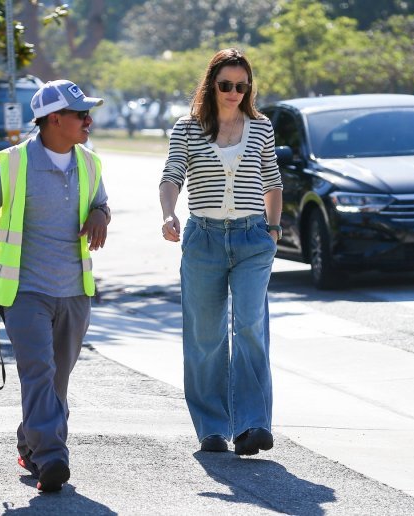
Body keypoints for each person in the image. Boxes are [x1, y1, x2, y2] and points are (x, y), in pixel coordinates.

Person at [0, 79, 111, 492]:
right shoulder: (11, 164)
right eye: (81, 115)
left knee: (57, 378)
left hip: (74, 291)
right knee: (39, 372)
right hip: (24, 291)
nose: (89, 121)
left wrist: (101, 214)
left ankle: (29, 443)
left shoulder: (89, 163)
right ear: (54, 119)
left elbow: (101, 202)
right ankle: (51, 458)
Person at [159, 48, 283, 456]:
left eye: (241, 86)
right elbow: (172, 174)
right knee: (206, 336)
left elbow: (273, 181)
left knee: (249, 325)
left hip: (252, 239)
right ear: (211, 85)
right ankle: (212, 427)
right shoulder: (187, 128)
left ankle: (252, 425)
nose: (233, 92)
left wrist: (274, 227)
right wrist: (168, 214)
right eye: (226, 85)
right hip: (204, 239)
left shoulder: (261, 127)